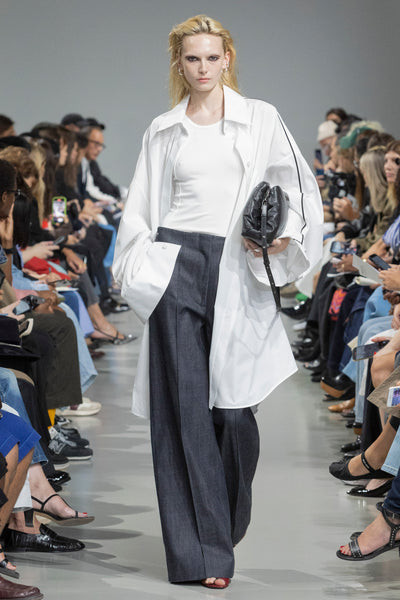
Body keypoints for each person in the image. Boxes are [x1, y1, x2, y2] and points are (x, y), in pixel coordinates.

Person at [113, 14, 322, 589]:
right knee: (183, 414)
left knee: (233, 413)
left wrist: (284, 238)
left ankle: (220, 526)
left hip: (236, 265)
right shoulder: (164, 129)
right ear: (178, 64)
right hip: (176, 263)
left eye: (212, 57)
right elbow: (140, 208)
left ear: (227, 59)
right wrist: (142, 271)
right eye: (192, 59)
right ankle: (201, 555)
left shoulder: (261, 118)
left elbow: (296, 187)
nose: (203, 68)